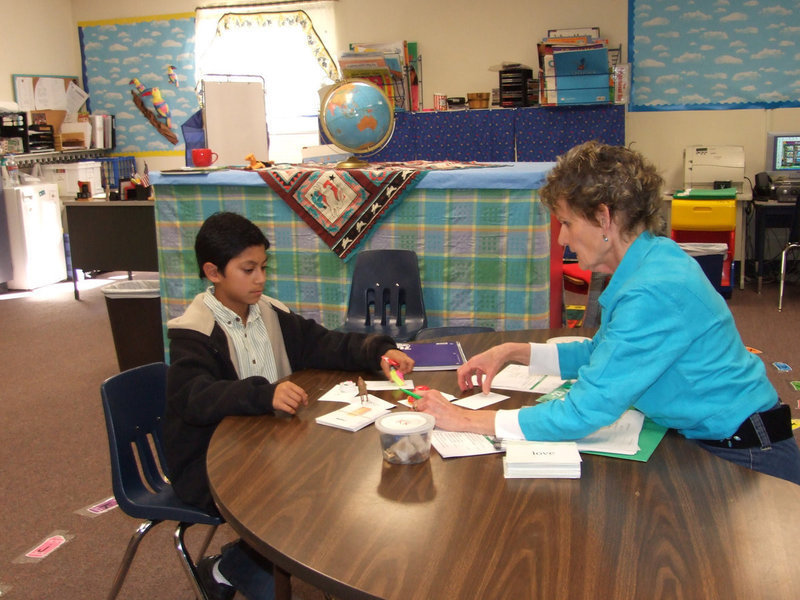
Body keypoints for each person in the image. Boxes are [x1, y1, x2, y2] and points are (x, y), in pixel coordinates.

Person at [415, 140, 800, 486]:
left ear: (604, 218)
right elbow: (604, 354)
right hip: (719, 436)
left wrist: (464, 420)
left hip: (744, 452)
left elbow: (582, 413)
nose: (562, 237)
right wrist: (512, 350)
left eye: (566, 223)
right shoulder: (651, 257)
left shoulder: (652, 290)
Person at [164, 211, 414, 600]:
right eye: (248, 269)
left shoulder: (270, 313)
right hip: (211, 461)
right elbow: (194, 397)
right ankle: (238, 567)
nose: (260, 279)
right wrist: (263, 394)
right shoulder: (192, 331)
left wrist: (379, 351)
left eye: (263, 267)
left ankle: (247, 563)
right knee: (305, 497)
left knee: (334, 472)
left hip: (270, 444)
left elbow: (326, 343)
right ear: (213, 273)